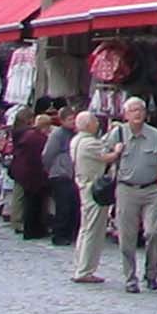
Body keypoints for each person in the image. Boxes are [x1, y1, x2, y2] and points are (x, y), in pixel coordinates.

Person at [102, 98, 157, 292]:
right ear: (125, 114)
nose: (137, 113)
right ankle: (130, 277)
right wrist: (115, 154)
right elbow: (102, 156)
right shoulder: (117, 133)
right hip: (126, 189)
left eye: (140, 109)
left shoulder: (155, 135)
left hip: (151, 190)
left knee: (154, 232)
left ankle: (151, 274)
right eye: (133, 110)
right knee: (127, 236)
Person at [68, 110, 111, 284]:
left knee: (85, 229)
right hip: (93, 188)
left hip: (83, 185)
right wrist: (118, 149)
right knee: (93, 230)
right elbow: (108, 157)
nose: (97, 124)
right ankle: (85, 269)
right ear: (88, 125)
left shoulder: (76, 141)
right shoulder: (90, 143)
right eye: (94, 122)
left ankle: (80, 265)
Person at [9, 112, 51, 239]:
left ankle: (18, 222)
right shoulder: (35, 137)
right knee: (29, 201)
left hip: (22, 170)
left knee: (21, 198)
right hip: (30, 173)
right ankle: (22, 224)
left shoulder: (25, 134)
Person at [42, 111, 80, 251]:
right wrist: (51, 169)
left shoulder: (75, 135)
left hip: (72, 175)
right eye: (70, 119)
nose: (73, 122)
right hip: (60, 174)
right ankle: (59, 235)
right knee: (63, 206)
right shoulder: (58, 135)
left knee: (72, 205)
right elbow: (48, 154)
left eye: (74, 119)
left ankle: (69, 233)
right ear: (62, 120)